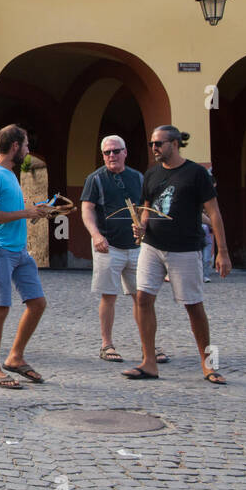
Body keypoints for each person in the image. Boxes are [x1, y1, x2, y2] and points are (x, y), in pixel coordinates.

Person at [128, 126, 231, 384]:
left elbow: (215, 213)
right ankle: (149, 362)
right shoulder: (151, 175)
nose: (154, 148)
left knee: (193, 306)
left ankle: (209, 365)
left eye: (159, 143)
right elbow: (147, 209)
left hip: (185, 249)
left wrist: (223, 252)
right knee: (142, 298)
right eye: (152, 143)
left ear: (174, 144)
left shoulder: (196, 173)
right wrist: (141, 225)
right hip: (152, 246)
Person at [0, 124, 54, 389]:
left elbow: (10, 210)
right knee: (0, 308)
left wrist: (33, 210)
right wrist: (26, 213)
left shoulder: (10, 173)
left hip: (19, 251)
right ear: (14, 147)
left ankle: (15, 357)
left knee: (38, 303)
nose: (27, 149)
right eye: (25, 145)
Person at [80, 135, 165, 365]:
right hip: (108, 245)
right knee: (109, 295)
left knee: (143, 297)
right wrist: (95, 235)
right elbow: (87, 210)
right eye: (107, 152)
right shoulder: (95, 179)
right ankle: (106, 344)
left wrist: (146, 230)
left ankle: (149, 346)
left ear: (125, 152)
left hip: (137, 246)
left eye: (116, 151)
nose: (111, 156)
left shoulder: (138, 177)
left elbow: (148, 207)